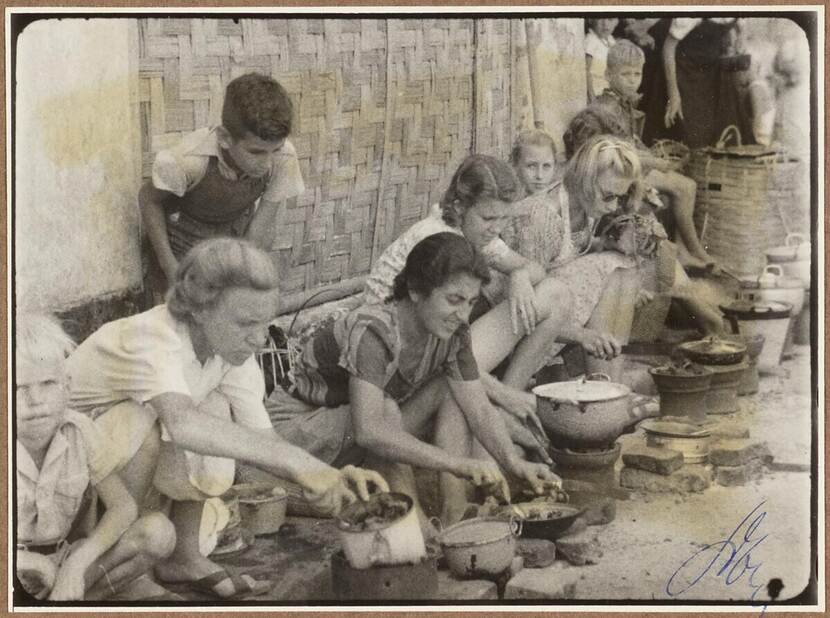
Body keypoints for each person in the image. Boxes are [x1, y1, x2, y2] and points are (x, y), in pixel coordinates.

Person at [66, 238, 387, 599]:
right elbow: (184, 426)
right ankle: (126, 570)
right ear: (199, 310)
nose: (259, 339)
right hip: (68, 488)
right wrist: (300, 464)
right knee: (147, 417)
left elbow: (264, 440)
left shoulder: (229, 352)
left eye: (265, 323)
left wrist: (324, 475)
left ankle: (182, 556)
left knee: (217, 410)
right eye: (246, 323)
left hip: (120, 480)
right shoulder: (152, 338)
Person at [271, 233, 561, 525]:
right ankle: (417, 526)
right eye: (454, 300)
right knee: (386, 413)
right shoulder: (373, 331)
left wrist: (514, 462)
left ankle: (456, 514)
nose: (463, 315)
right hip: (295, 434)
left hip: (348, 430)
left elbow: (480, 410)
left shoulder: (452, 334)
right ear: (415, 290)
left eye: (471, 302)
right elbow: (369, 431)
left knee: (450, 388)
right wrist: (458, 464)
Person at [363, 154, 576, 450]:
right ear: (459, 206)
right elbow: (437, 354)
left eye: (503, 220)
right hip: (399, 373)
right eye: (488, 218)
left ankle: (506, 400)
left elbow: (534, 269)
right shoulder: (441, 242)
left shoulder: (472, 232)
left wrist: (518, 276)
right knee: (460, 392)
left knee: (555, 292)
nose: (495, 229)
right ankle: (504, 404)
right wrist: (498, 392)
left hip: (430, 357)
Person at [15, 314, 176, 601]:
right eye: (18, 388)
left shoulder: (78, 431)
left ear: (67, 387)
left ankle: (69, 599)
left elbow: (123, 507)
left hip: (62, 562)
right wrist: (27, 562)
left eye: (48, 383)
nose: (35, 400)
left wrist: (76, 565)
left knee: (158, 533)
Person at [139, 72, 305, 295]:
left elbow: (258, 230)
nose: (267, 163)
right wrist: (170, 268)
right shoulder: (187, 161)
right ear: (225, 138)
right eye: (256, 152)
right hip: (181, 240)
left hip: (232, 236)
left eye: (275, 150)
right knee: (179, 318)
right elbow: (148, 200)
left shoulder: (284, 157)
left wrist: (240, 277)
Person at [561, 113, 725, 337]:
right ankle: (703, 316)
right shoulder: (570, 188)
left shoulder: (601, 185)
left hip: (593, 259)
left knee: (653, 240)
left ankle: (702, 314)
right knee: (643, 256)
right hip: (574, 287)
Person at [508, 131, 648, 381]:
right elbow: (527, 311)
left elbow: (568, 251)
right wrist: (583, 336)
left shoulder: (585, 208)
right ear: (585, 180)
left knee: (625, 265)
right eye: (609, 196)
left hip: (553, 311)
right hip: (517, 330)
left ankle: (609, 381)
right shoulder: (542, 217)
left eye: (619, 197)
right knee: (610, 267)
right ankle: (603, 388)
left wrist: (604, 243)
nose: (613, 206)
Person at [593, 40, 715, 269]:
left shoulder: (623, 104)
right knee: (684, 187)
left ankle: (685, 251)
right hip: (619, 171)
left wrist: (650, 153)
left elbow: (631, 141)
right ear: (608, 74)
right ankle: (695, 250)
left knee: (686, 186)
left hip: (632, 163)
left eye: (637, 74)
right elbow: (622, 153)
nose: (632, 79)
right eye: (625, 73)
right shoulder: (609, 109)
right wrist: (658, 162)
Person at [643, 17, 752, 148]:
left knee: (725, 128)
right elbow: (668, 48)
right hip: (683, 70)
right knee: (690, 133)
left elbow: (741, 23)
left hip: (713, 68)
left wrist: (741, 38)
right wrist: (673, 95)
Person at [585, 18, 619, 102]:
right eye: (600, 18)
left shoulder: (611, 40)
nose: (605, 24)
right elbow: (585, 70)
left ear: (616, 22)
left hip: (608, 93)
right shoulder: (591, 40)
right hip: (596, 93)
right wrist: (591, 96)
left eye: (610, 19)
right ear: (591, 20)